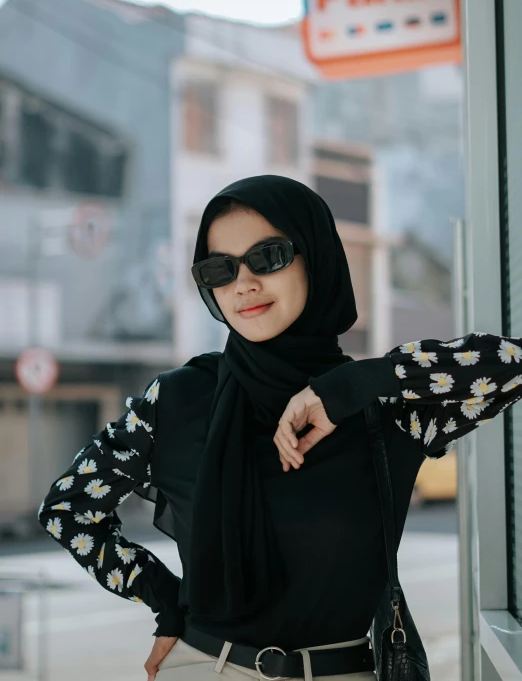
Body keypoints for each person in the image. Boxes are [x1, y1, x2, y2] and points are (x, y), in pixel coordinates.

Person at [38, 175, 522, 681]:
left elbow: (512, 363)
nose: (243, 284)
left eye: (268, 257)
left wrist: (348, 388)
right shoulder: (179, 400)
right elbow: (69, 509)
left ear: (317, 256)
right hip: (205, 668)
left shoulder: (385, 408)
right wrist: (165, 600)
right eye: (219, 269)